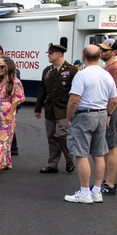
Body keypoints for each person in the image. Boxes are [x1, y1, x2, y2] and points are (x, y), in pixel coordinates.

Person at [64, 45, 117, 204]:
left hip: (84, 114)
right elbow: (114, 100)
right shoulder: (107, 75)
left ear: (84, 56)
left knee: (81, 154)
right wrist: (108, 114)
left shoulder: (82, 75)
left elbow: (74, 100)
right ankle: (97, 191)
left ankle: (84, 191)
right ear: (100, 56)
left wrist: (69, 117)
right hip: (101, 113)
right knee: (98, 153)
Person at [34, 43, 78, 173]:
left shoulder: (72, 70)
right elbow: (42, 90)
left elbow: (76, 91)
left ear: (59, 54)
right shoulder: (47, 71)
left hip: (65, 108)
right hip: (50, 108)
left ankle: (69, 160)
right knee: (51, 136)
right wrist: (37, 108)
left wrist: (75, 108)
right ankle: (53, 164)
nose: (48, 55)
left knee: (61, 134)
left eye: (50, 53)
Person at [99, 39, 117, 196]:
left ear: (114, 52)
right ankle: (105, 181)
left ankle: (110, 184)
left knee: (111, 147)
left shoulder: (116, 68)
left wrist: (108, 114)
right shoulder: (107, 67)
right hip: (107, 110)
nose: (102, 51)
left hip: (112, 110)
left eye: (105, 49)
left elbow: (116, 96)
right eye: (101, 49)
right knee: (105, 147)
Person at [0, 58, 25, 172]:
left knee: (4, 137)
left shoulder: (16, 81)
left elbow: (17, 99)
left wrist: (10, 114)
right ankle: (7, 161)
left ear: (9, 68)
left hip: (7, 112)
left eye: (2, 67)